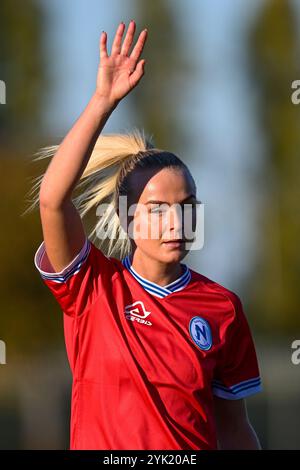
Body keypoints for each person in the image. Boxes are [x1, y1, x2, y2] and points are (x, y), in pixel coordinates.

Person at [26, 20, 262, 450]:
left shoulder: (222, 307)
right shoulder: (92, 289)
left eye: (185, 206)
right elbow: (53, 201)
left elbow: (234, 429)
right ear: (127, 217)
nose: (175, 222)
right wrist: (102, 102)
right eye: (157, 210)